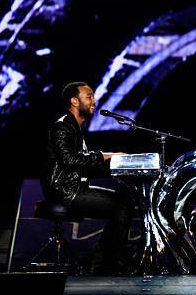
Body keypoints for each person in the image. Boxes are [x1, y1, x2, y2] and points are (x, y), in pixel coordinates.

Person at [42, 81, 132, 275]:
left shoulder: (74, 127)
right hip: (66, 192)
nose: (94, 101)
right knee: (121, 206)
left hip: (74, 188)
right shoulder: (63, 127)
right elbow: (70, 160)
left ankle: (101, 262)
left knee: (124, 203)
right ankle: (107, 264)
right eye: (89, 96)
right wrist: (106, 156)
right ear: (74, 101)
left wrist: (110, 159)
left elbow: (81, 160)